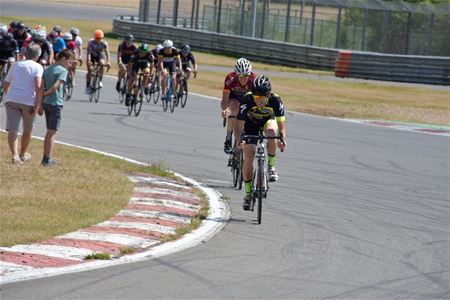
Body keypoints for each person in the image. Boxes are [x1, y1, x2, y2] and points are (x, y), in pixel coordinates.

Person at [237, 75, 286, 210]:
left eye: (262, 98)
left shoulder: (276, 100)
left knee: (271, 133)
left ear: (268, 95)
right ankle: (247, 194)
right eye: (256, 98)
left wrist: (282, 140)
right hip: (250, 125)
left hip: (267, 122)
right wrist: (239, 140)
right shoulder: (247, 99)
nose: (258, 101)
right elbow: (240, 124)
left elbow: (281, 126)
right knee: (249, 155)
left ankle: (271, 167)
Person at [2, 42, 43, 164]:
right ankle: (22, 153)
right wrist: (37, 105)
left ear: (25, 53)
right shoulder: (38, 67)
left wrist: (9, 93)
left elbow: (5, 84)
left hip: (12, 99)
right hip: (28, 101)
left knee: (13, 129)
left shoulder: (16, 65)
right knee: (27, 129)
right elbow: (38, 86)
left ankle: (14, 155)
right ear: (38, 55)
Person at [39, 49, 75, 166]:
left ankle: (46, 157)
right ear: (64, 59)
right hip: (55, 103)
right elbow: (55, 87)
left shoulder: (48, 69)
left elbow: (41, 87)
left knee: (49, 131)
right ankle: (47, 159)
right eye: (70, 62)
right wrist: (45, 94)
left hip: (46, 103)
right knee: (51, 132)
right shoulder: (62, 71)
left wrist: (40, 101)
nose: (70, 65)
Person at [221, 57, 256, 154]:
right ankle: (228, 137)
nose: (243, 79)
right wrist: (225, 110)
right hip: (233, 101)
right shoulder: (230, 79)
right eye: (240, 76)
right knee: (234, 107)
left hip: (248, 102)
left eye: (246, 76)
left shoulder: (253, 80)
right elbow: (224, 99)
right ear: (236, 74)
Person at [85, 29, 110, 94]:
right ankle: (88, 86)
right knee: (90, 69)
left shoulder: (104, 43)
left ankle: (100, 81)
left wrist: (109, 62)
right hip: (92, 55)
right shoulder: (91, 42)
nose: (98, 40)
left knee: (102, 63)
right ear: (94, 37)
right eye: (97, 38)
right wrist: (89, 61)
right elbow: (88, 53)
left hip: (99, 55)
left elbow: (107, 53)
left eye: (100, 38)